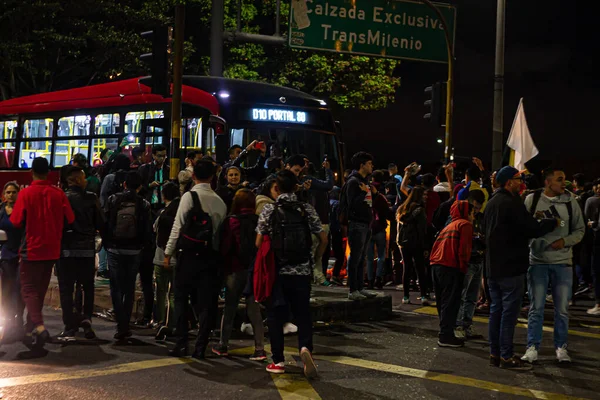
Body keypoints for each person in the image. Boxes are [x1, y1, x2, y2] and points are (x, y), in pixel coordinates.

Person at [483, 166, 556, 370]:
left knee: (496, 312)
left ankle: (494, 354)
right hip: (511, 266)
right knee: (509, 314)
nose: (521, 182)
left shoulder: (492, 202)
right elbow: (531, 228)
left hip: (493, 267)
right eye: (518, 179)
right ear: (509, 182)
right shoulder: (511, 202)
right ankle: (506, 356)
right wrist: (550, 223)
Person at [256, 170, 327, 377]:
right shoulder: (307, 209)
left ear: (276, 188)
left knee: (275, 316)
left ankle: (278, 360)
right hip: (302, 271)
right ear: (296, 187)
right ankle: (305, 348)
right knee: (303, 313)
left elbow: (258, 242)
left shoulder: (269, 209)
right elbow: (323, 239)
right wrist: (314, 259)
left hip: (277, 272)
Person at [10, 157, 75, 350]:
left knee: (28, 289)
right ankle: (31, 329)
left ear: (32, 172)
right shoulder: (58, 193)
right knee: (39, 291)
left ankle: (38, 326)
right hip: (52, 250)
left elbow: (15, 221)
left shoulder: (26, 193)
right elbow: (70, 218)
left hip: (32, 249)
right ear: (49, 172)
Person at [521, 168, 585, 364]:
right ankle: (532, 347)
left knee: (562, 310)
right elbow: (524, 227)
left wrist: (564, 242)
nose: (564, 183)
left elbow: (580, 230)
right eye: (560, 179)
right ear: (548, 182)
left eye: (565, 179)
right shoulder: (531, 200)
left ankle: (561, 347)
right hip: (538, 263)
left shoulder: (570, 201)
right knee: (536, 307)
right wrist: (534, 243)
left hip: (563, 263)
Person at [165, 160, 227, 359]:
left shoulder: (189, 196)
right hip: (210, 259)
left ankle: (181, 343)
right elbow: (218, 236)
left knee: (181, 299)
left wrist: (168, 252)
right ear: (212, 177)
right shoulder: (220, 202)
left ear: (193, 176)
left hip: (188, 257)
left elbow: (178, 226)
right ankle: (201, 347)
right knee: (206, 304)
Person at [212, 189, 266, 361]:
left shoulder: (231, 221)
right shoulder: (259, 221)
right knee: (254, 310)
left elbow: (225, 248)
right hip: (254, 270)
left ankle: (223, 345)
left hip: (234, 270)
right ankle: (259, 348)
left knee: (230, 308)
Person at [57, 166, 105, 340]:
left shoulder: (62, 197)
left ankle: (69, 324)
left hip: (66, 251)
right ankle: (86, 319)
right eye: (83, 178)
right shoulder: (91, 198)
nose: (86, 181)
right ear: (77, 180)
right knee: (87, 287)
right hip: (86, 250)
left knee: (66, 289)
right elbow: (101, 222)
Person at [104, 171, 152, 340]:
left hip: (114, 249)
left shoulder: (113, 200)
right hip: (134, 250)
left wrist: (107, 242)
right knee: (129, 287)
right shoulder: (144, 203)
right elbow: (147, 230)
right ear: (139, 186)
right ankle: (125, 324)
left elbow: (105, 222)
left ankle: (121, 324)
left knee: (116, 288)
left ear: (124, 184)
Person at [430, 200, 475, 347]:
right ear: (466, 212)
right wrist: (463, 269)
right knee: (451, 302)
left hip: (436, 265)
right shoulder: (465, 225)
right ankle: (446, 336)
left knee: (443, 302)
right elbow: (464, 250)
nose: (474, 216)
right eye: (472, 213)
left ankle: (445, 332)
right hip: (450, 266)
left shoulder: (449, 225)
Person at [341, 152, 378, 300]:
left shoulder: (364, 181)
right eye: (369, 163)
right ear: (362, 165)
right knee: (355, 257)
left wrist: (373, 194)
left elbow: (367, 203)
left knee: (362, 257)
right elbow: (352, 204)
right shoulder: (353, 182)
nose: (372, 166)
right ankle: (353, 289)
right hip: (356, 223)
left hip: (365, 223)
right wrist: (363, 193)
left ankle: (360, 288)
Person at [455, 190, 486, 340]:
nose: (476, 211)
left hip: (478, 259)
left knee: (472, 297)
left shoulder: (481, 218)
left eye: (479, 208)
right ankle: (458, 325)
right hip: (467, 261)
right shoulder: (460, 218)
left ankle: (466, 325)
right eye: (475, 207)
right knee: (462, 295)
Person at [153, 182, 180, 340]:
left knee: (161, 291)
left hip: (160, 256)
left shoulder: (162, 213)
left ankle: (160, 320)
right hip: (176, 257)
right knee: (173, 293)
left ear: (163, 196)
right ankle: (171, 323)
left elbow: (154, 229)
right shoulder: (181, 212)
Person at [396, 186, 429, 305]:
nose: (426, 197)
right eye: (424, 195)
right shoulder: (419, 210)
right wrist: (425, 246)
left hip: (404, 243)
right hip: (417, 243)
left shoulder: (402, 209)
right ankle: (424, 295)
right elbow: (422, 230)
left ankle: (405, 296)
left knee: (407, 268)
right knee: (420, 269)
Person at [0, 182, 24, 344]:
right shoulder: (1, 211)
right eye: (8, 192)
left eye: (13, 192)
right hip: (5, 256)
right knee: (7, 292)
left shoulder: (23, 211)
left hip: (21, 255)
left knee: (20, 291)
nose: (10, 195)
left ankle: (19, 322)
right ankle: (8, 323)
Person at [367, 173, 393, 289]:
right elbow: (387, 213)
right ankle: (378, 278)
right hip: (380, 229)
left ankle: (370, 280)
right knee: (381, 255)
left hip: (369, 229)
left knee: (369, 257)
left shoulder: (366, 197)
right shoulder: (381, 198)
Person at [585, 179, 600, 315]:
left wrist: (593, 225)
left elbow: (587, 218)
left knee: (596, 271)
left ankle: (599, 304)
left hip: (597, 241)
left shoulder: (592, 201)